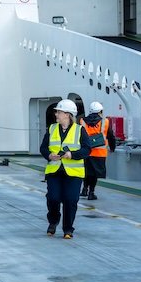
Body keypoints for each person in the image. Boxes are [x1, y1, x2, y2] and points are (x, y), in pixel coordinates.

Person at [41, 99, 89, 238]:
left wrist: (71, 155)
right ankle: (53, 221)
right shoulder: (51, 129)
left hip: (73, 173)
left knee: (70, 200)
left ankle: (68, 229)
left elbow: (87, 149)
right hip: (54, 171)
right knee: (53, 198)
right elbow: (43, 148)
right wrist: (49, 155)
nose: (56, 114)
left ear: (67, 114)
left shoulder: (80, 130)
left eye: (59, 112)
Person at [79, 101, 117, 200]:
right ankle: (91, 193)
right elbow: (111, 136)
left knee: (86, 172)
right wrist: (112, 147)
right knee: (94, 174)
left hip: (86, 152)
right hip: (99, 152)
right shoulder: (105, 122)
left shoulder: (82, 121)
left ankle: (84, 189)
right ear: (100, 111)